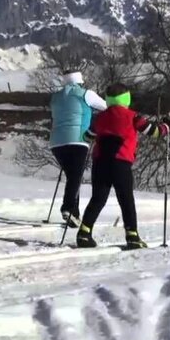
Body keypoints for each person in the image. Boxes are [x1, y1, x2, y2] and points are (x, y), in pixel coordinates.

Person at [77, 83, 169, 249]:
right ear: (126, 98)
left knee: (98, 199)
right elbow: (155, 132)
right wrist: (167, 126)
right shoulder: (134, 117)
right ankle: (132, 236)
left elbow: (87, 137)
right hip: (121, 163)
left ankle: (84, 233)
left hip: (100, 163)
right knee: (126, 200)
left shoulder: (100, 117)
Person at [49, 70, 107, 227]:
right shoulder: (86, 94)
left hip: (56, 142)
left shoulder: (55, 97)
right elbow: (106, 107)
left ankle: (74, 215)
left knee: (72, 176)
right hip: (78, 139)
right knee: (75, 176)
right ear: (80, 81)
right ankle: (68, 208)